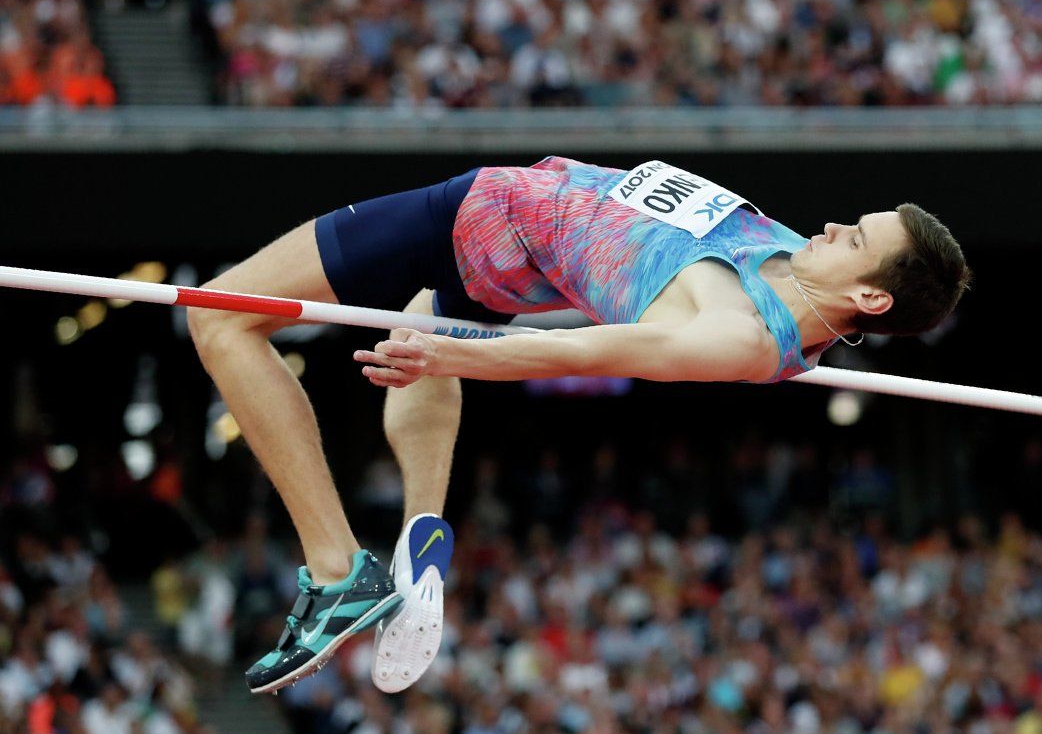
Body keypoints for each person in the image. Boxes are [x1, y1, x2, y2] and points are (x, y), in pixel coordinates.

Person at [187, 156, 971, 695]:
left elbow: (584, 351)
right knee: (422, 318)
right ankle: (418, 535)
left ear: (870, 298)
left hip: (483, 219)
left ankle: (336, 572)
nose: (832, 227)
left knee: (219, 318)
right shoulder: (799, 275)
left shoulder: (740, 334)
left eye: (855, 239)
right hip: (524, 245)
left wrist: (455, 358)